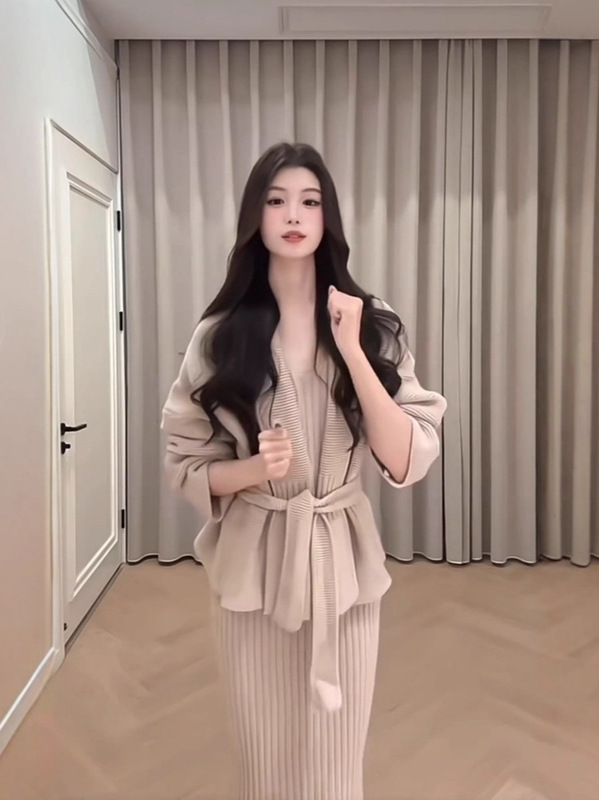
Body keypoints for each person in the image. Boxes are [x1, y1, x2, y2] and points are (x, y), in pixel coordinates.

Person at [161, 141, 447, 800]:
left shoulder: (370, 326)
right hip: (252, 570)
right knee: (264, 759)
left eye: (310, 201)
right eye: (276, 200)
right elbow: (185, 463)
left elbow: (407, 456)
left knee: (336, 764)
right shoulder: (219, 335)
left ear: (327, 217)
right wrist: (251, 471)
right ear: (255, 217)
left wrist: (351, 351)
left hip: (342, 567)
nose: (293, 214)